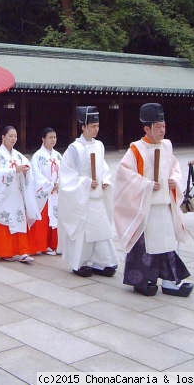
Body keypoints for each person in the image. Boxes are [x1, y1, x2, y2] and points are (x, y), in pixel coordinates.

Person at [113, 103, 193, 297]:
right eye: (157, 127)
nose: (162, 130)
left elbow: (174, 167)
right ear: (146, 128)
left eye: (163, 126)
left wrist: (174, 180)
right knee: (145, 246)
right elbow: (123, 174)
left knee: (167, 243)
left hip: (164, 204)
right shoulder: (136, 149)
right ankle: (141, 281)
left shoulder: (167, 145)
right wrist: (145, 184)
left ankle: (170, 282)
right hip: (146, 206)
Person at [58, 107, 119, 277]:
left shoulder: (99, 145)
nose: (96, 129)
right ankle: (80, 263)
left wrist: (105, 180)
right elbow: (67, 175)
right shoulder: (74, 148)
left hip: (97, 196)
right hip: (83, 198)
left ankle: (104, 261)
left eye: (97, 126)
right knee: (84, 233)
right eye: (92, 126)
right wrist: (85, 183)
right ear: (83, 127)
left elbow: (103, 167)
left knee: (102, 231)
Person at [0, 126, 40, 262]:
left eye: (15, 136)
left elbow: (28, 168)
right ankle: (6, 251)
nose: (13, 139)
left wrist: (26, 171)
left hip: (16, 194)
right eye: (10, 136)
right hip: (3, 195)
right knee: (5, 219)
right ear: (3, 137)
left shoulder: (18, 155)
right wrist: (14, 170)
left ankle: (23, 251)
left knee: (20, 219)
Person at [30, 127, 62, 255]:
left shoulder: (58, 155)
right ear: (43, 139)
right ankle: (41, 245)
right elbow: (36, 175)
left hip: (56, 192)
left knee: (55, 217)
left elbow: (64, 171)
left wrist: (59, 183)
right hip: (44, 193)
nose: (53, 140)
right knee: (43, 219)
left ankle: (54, 244)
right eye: (50, 137)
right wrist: (49, 185)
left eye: (54, 137)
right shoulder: (37, 156)